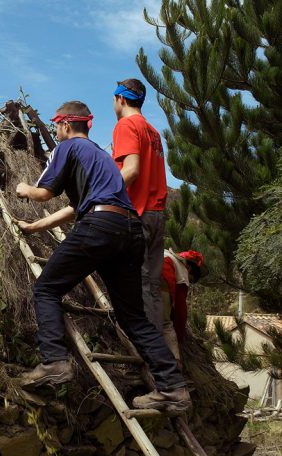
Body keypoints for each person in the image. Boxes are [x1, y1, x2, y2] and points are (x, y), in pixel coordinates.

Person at [14, 100, 190, 412]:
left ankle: (54, 361)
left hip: (100, 227)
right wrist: (36, 227)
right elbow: (78, 207)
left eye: (57, 126)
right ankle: (173, 388)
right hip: (129, 229)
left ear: (66, 126)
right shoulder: (102, 158)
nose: (57, 131)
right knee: (133, 316)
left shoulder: (67, 148)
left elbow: (44, 193)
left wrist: (23, 188)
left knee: (46, 288)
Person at [112, 78, 167, 332]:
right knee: (152, 287)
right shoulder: (153, 132)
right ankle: (158, 352)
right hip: (157, 215)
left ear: (120, 99)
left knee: (138, 286)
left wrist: (101, 192)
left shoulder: (126, 125)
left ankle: (146, 356)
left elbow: (131, 171)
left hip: (138, 214)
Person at [161, 249, 204, 361]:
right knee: (165, 325)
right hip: (160, 286)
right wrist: (179, 335)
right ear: (189, 268)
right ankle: (175, 361)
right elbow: (181, 310)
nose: (189, 282)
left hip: (139, 276)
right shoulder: (182, 272)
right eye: (191, 280)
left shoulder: (164, 253)